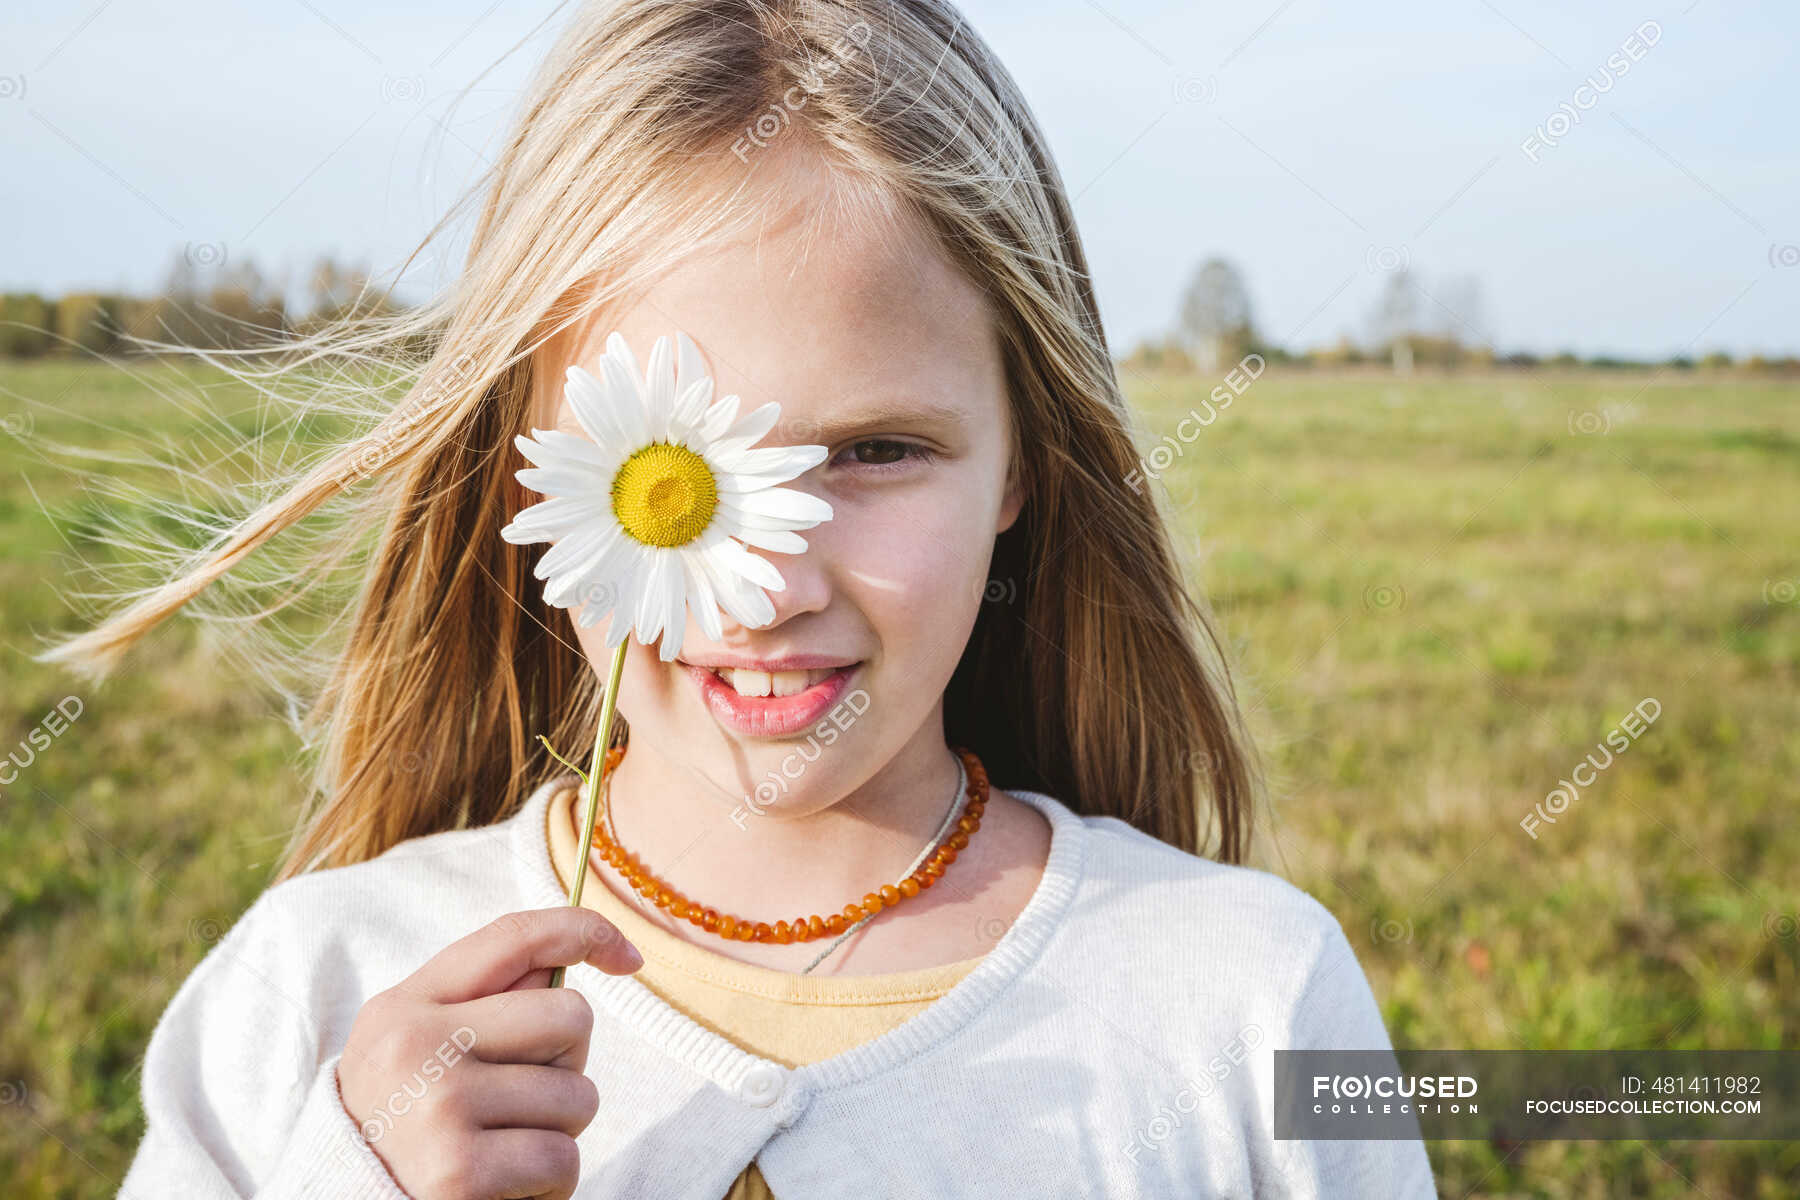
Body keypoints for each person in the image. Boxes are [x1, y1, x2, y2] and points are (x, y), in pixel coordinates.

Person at [53, 1, 1435, 1196]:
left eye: (877, 450)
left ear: (1026, 462)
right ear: (528, 468)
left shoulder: (1248, 999)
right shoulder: (322, 994)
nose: (764, 588)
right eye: (677, 478)